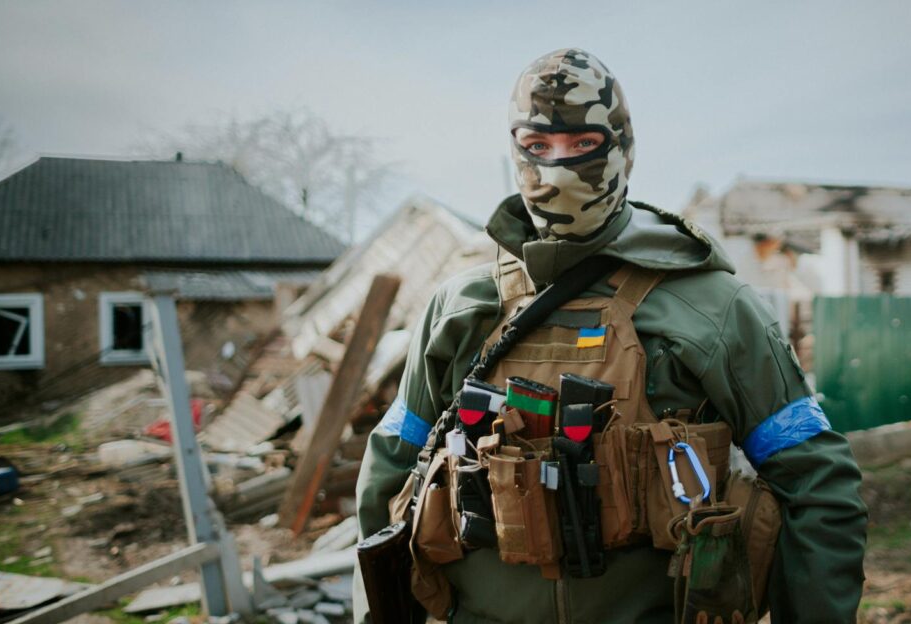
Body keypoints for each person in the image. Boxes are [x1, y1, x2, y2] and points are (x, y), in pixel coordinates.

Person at [354, 48, 867, 624]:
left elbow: (816, 483)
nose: (558, 169)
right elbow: (391, 472)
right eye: (537, 146)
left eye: (583, 145)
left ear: (622, 148)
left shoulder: (712, 308)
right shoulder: (460, 309)